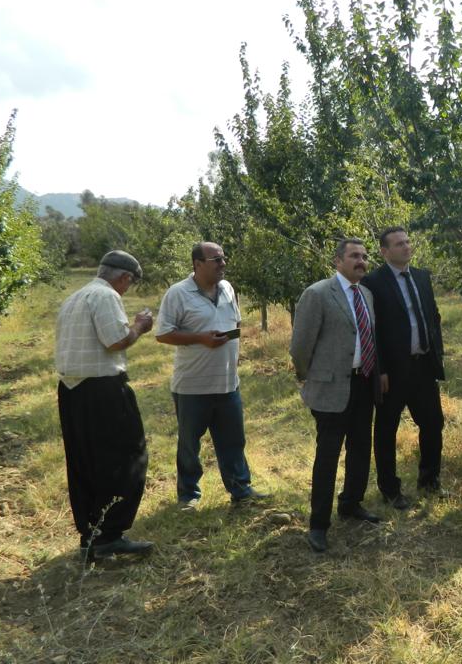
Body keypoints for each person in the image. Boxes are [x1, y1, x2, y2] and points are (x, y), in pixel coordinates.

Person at [55, 250, 154, 562]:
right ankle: (110, 535)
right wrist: (139, 326)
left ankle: (91, 535)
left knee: (85, 462)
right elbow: (115, 341)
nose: (128, 290)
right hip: (102, 389)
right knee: (126, 457)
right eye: (130, 284)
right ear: (124, 277)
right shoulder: (106, 296)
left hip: (72, 390)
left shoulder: (75, 297)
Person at [156, 242, 267, 508]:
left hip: (228, 382)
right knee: (189, 445)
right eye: (216, 260)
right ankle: (188, 496)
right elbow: (162, 334)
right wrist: (200, 339)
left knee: (233, 441)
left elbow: (235, 324)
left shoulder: (228, 288)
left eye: (223, 258)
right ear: (197, 264)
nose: (223, 264)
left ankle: (240, 490)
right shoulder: (178, 293)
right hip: (192, 386)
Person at [290, 238, 383, 552]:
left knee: (360, 448)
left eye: (364, 256)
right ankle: (318, 524)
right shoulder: (318, 294)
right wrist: (310, 377)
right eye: (354, 256)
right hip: (331, 387)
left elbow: (369, 338)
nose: (361, 261)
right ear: (337, 261)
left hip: (362, 383)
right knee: (327, 456)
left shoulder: (366, 294)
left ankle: (351, 503)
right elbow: (300, 346)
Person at [361, 226, 445, 508]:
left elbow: (432, 316)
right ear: (384, 252)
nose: (406, 247)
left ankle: (430, 480)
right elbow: (372, 330)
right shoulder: (373, 282)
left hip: (422, 366)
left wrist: (437, 354)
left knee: (433, 423)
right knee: (386, 430)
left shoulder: (421, 277)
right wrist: (380, 369)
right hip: (393, 371)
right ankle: (390, 489)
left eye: (408, 242)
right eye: (399, 244)